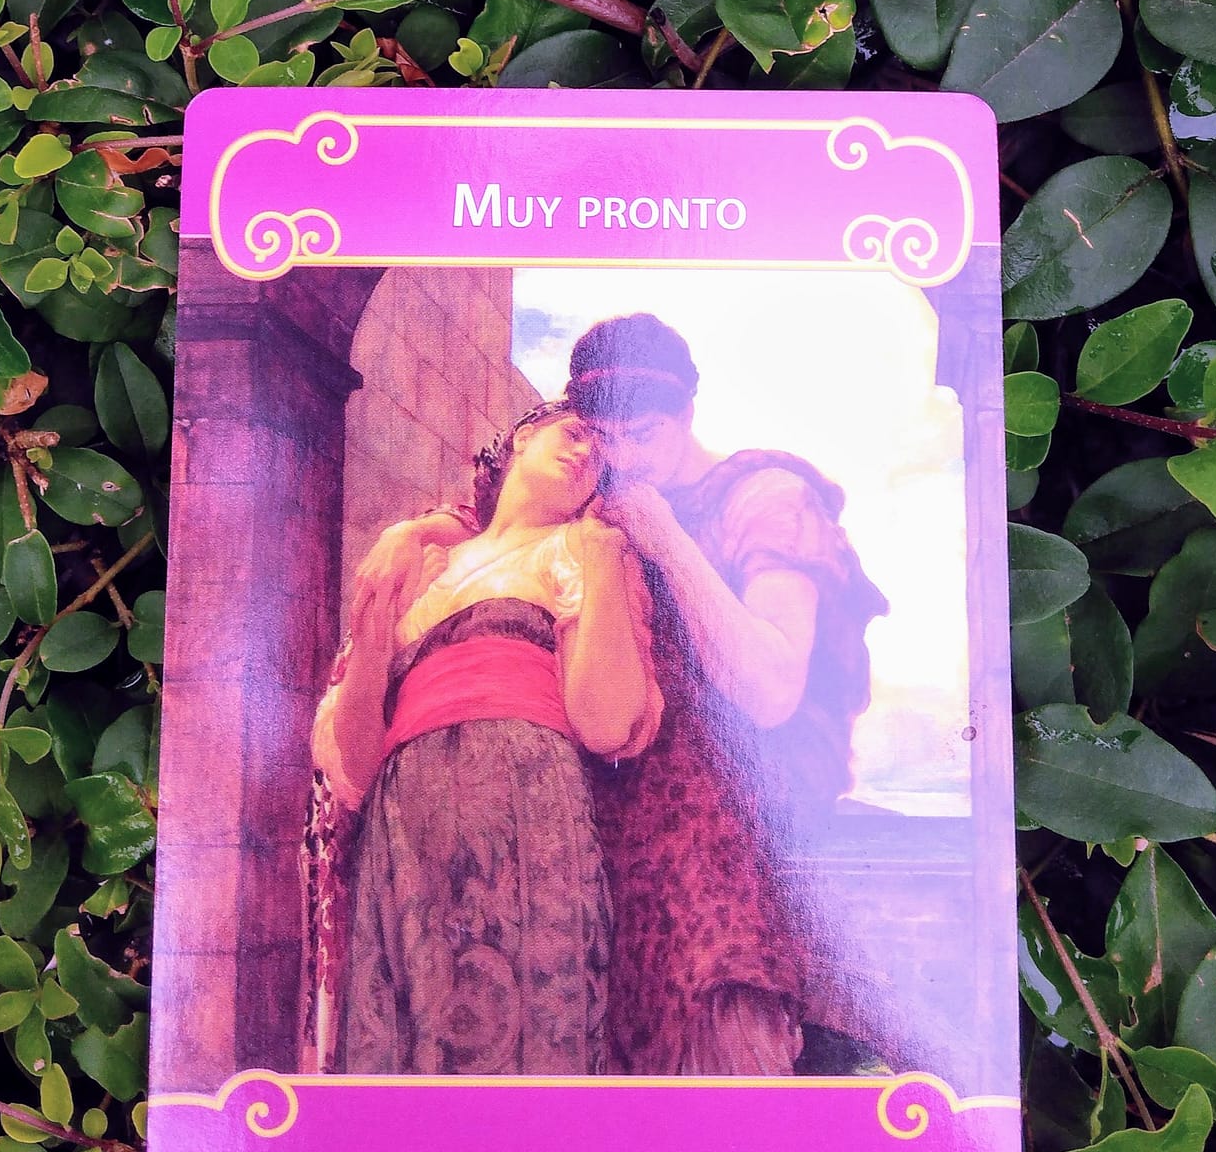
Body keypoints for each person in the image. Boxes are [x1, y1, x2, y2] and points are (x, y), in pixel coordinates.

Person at [565, 313, 889, 1075]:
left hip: (762, 789)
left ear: (686, 413)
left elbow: (770, 692)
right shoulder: (600, 505)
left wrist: (667, 542)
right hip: (641, 784)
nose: (622, 458)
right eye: (603, 438)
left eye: (641, 434)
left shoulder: (765, 497)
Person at [310, 402, 659, 1076]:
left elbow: (606, 722)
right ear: (523, 439)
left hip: (525, 806)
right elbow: (355, 762)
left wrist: (603, 558)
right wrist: (374, 629)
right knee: (407, 1040)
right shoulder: (421, 564)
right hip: (403, 818)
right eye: (574, 434)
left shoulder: (578, 550)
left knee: (520, 1036)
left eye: (600, 455)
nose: (586, 454)